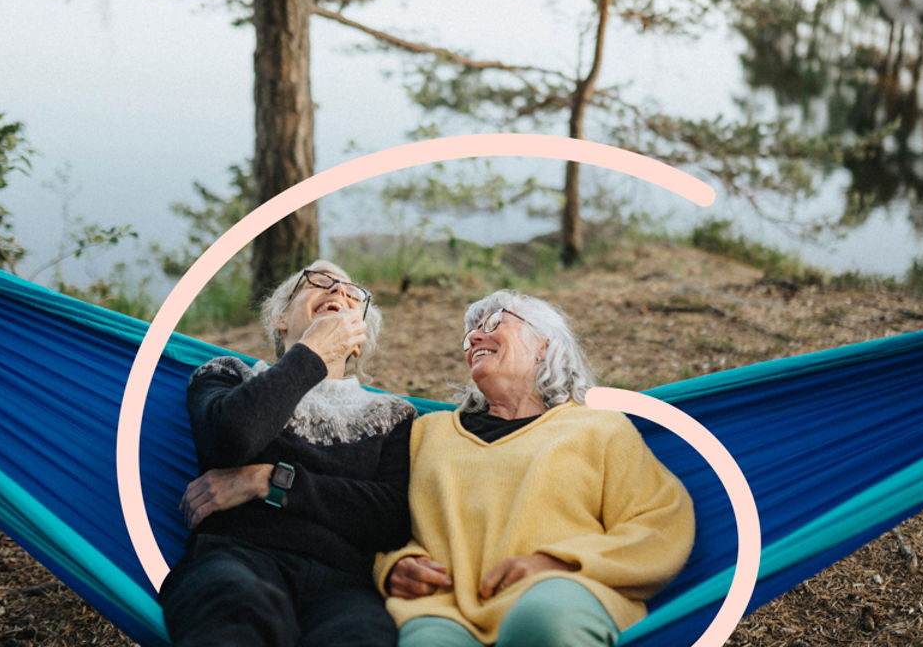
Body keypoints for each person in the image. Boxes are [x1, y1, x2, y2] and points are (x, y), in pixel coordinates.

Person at [377, 290, 694, 647]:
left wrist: (560, 564)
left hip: (560, 595)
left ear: (544, 345)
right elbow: (377, 522)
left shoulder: (599, 428)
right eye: (470, 335)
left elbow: (661, 521)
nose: (475, 338)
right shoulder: (425, 433)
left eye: (495, 323)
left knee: (541, 622)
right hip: (446, 609)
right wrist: (393, 566)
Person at [159, 260, 416, 647]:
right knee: (234, 614)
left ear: (358, 339)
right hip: (238, 560)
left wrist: (268, 481)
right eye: (318, 282)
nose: (338, 292)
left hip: (346, 586)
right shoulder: (229, 377)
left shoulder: (392, 416)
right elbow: (232, 439)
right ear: (280, 318)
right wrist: (312, 351)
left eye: (351, 292)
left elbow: (391, 517)